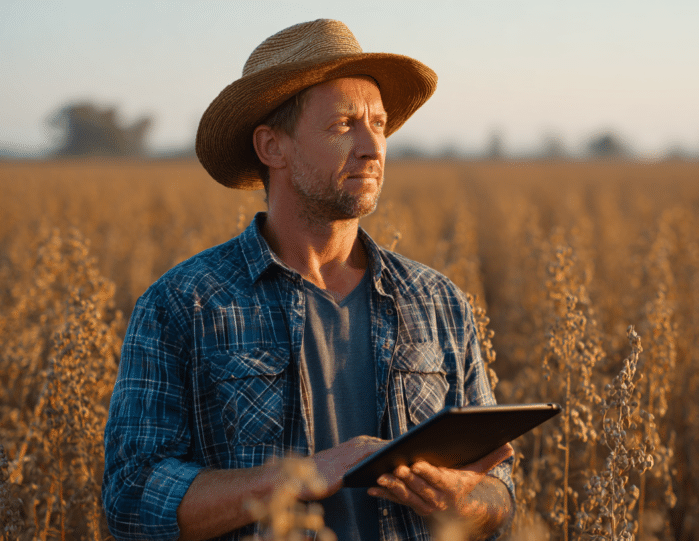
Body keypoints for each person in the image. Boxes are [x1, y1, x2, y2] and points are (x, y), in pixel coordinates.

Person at [102, 18, 515, 541]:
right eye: (344, 124)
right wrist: (299, 477)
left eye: (379, 124)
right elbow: (131, 500)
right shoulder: (183, 306)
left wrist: (466, 502)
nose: (372, 147)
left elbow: (498, 492)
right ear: (273, 147)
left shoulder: (438, 302)